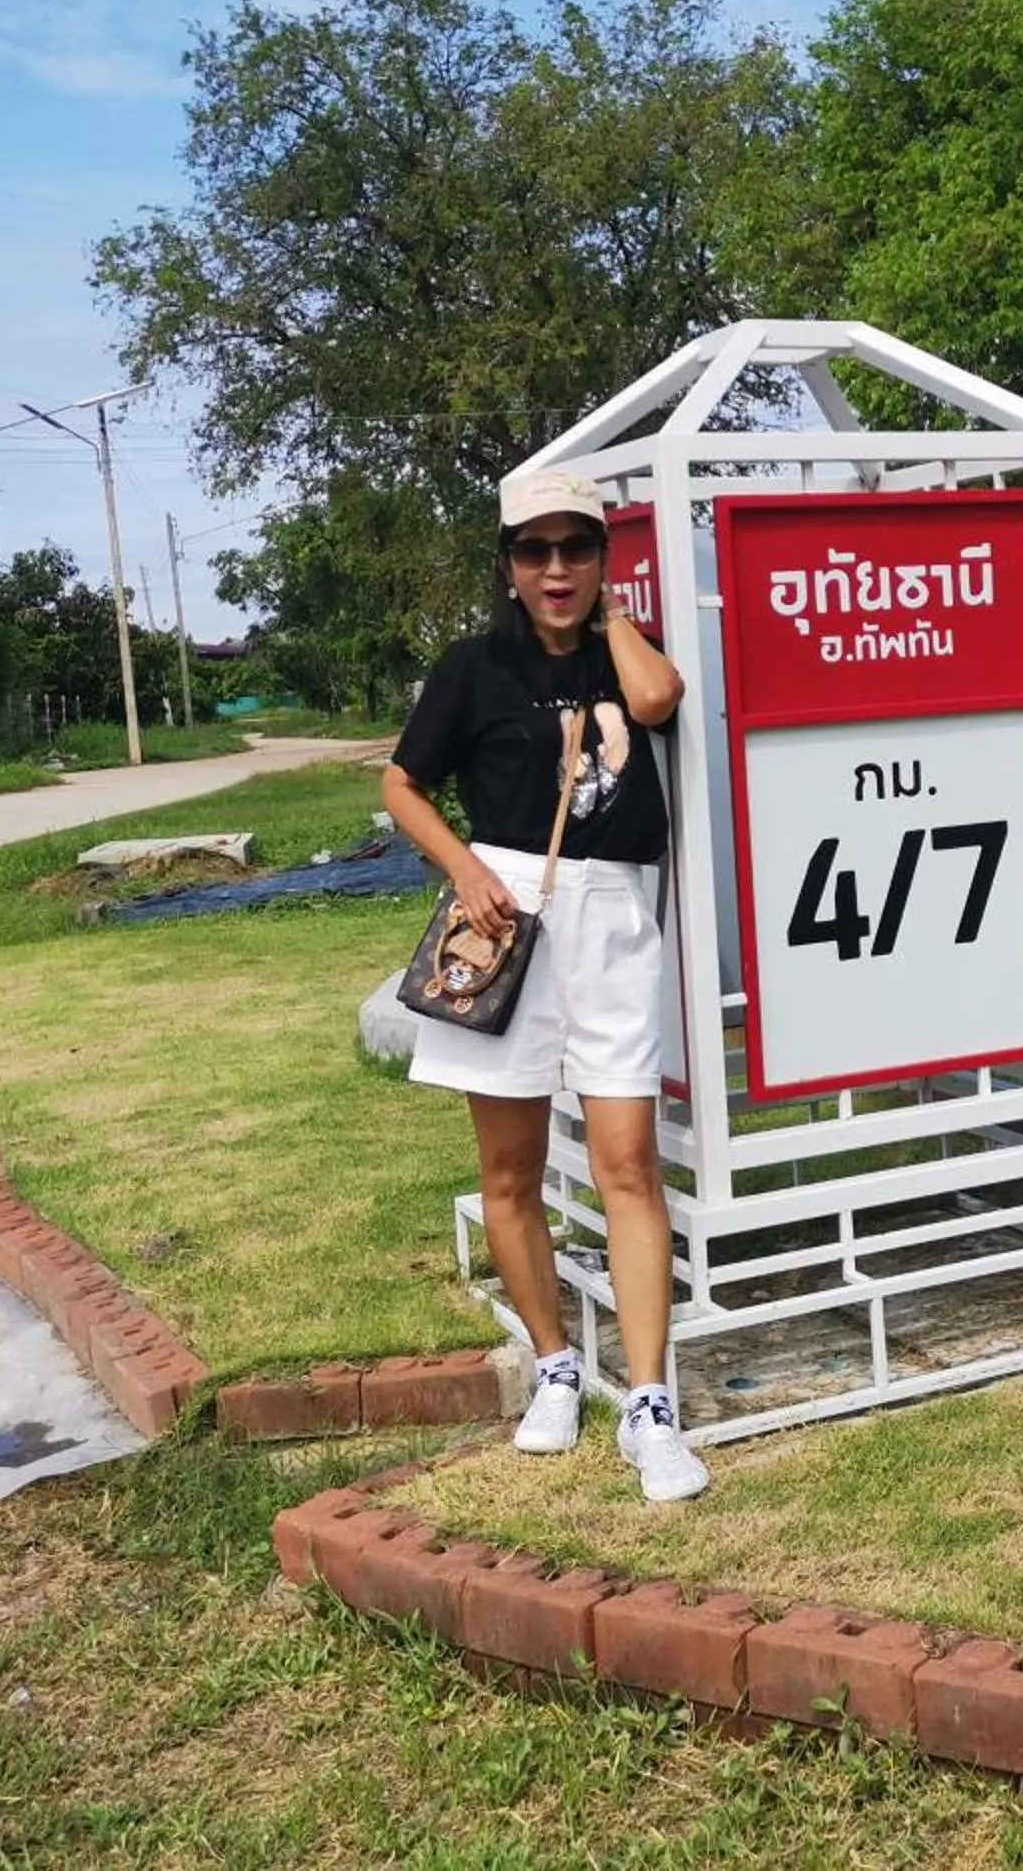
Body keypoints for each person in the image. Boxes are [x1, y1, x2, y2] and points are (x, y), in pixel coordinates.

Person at [379, 466, 709, 1503]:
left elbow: (660, 701)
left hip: (613, 915)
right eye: (535, 551)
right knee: (510, 1171)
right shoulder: (473, 668)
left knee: (628, 1164)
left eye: (576, 548)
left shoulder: (625, 654)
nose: (555, 569)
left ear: (604, 559)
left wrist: (609, 619)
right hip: (506, 913)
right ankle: (557, 1365)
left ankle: (649, 1404)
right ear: (508, 564)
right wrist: (467, 869)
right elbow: (401, 783)